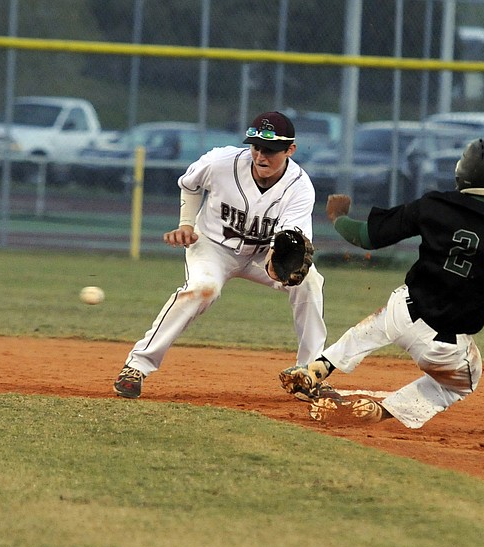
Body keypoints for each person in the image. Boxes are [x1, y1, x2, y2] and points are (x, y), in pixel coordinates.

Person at [279, 138, 484, 428]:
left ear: (461, 173)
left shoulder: (434, 204)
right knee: (463, 382)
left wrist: (338, 218)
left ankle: (320, 366)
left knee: (383, 317)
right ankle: (380, 411)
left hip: (403, 313)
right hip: (444, 348)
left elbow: (367, 237)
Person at [114, 111, 327, 399]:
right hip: (212, 247)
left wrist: (281, 260)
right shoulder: (221, 162)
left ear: (290, 150)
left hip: (264, 255)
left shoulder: (299, 187)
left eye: (271, 150)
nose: (261, 156)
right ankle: (136, 366)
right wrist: (186, 224)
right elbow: (189, 185)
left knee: (309, 282)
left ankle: (308, 374)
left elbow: (291, 241)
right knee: (203, 289)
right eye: (256, 147)